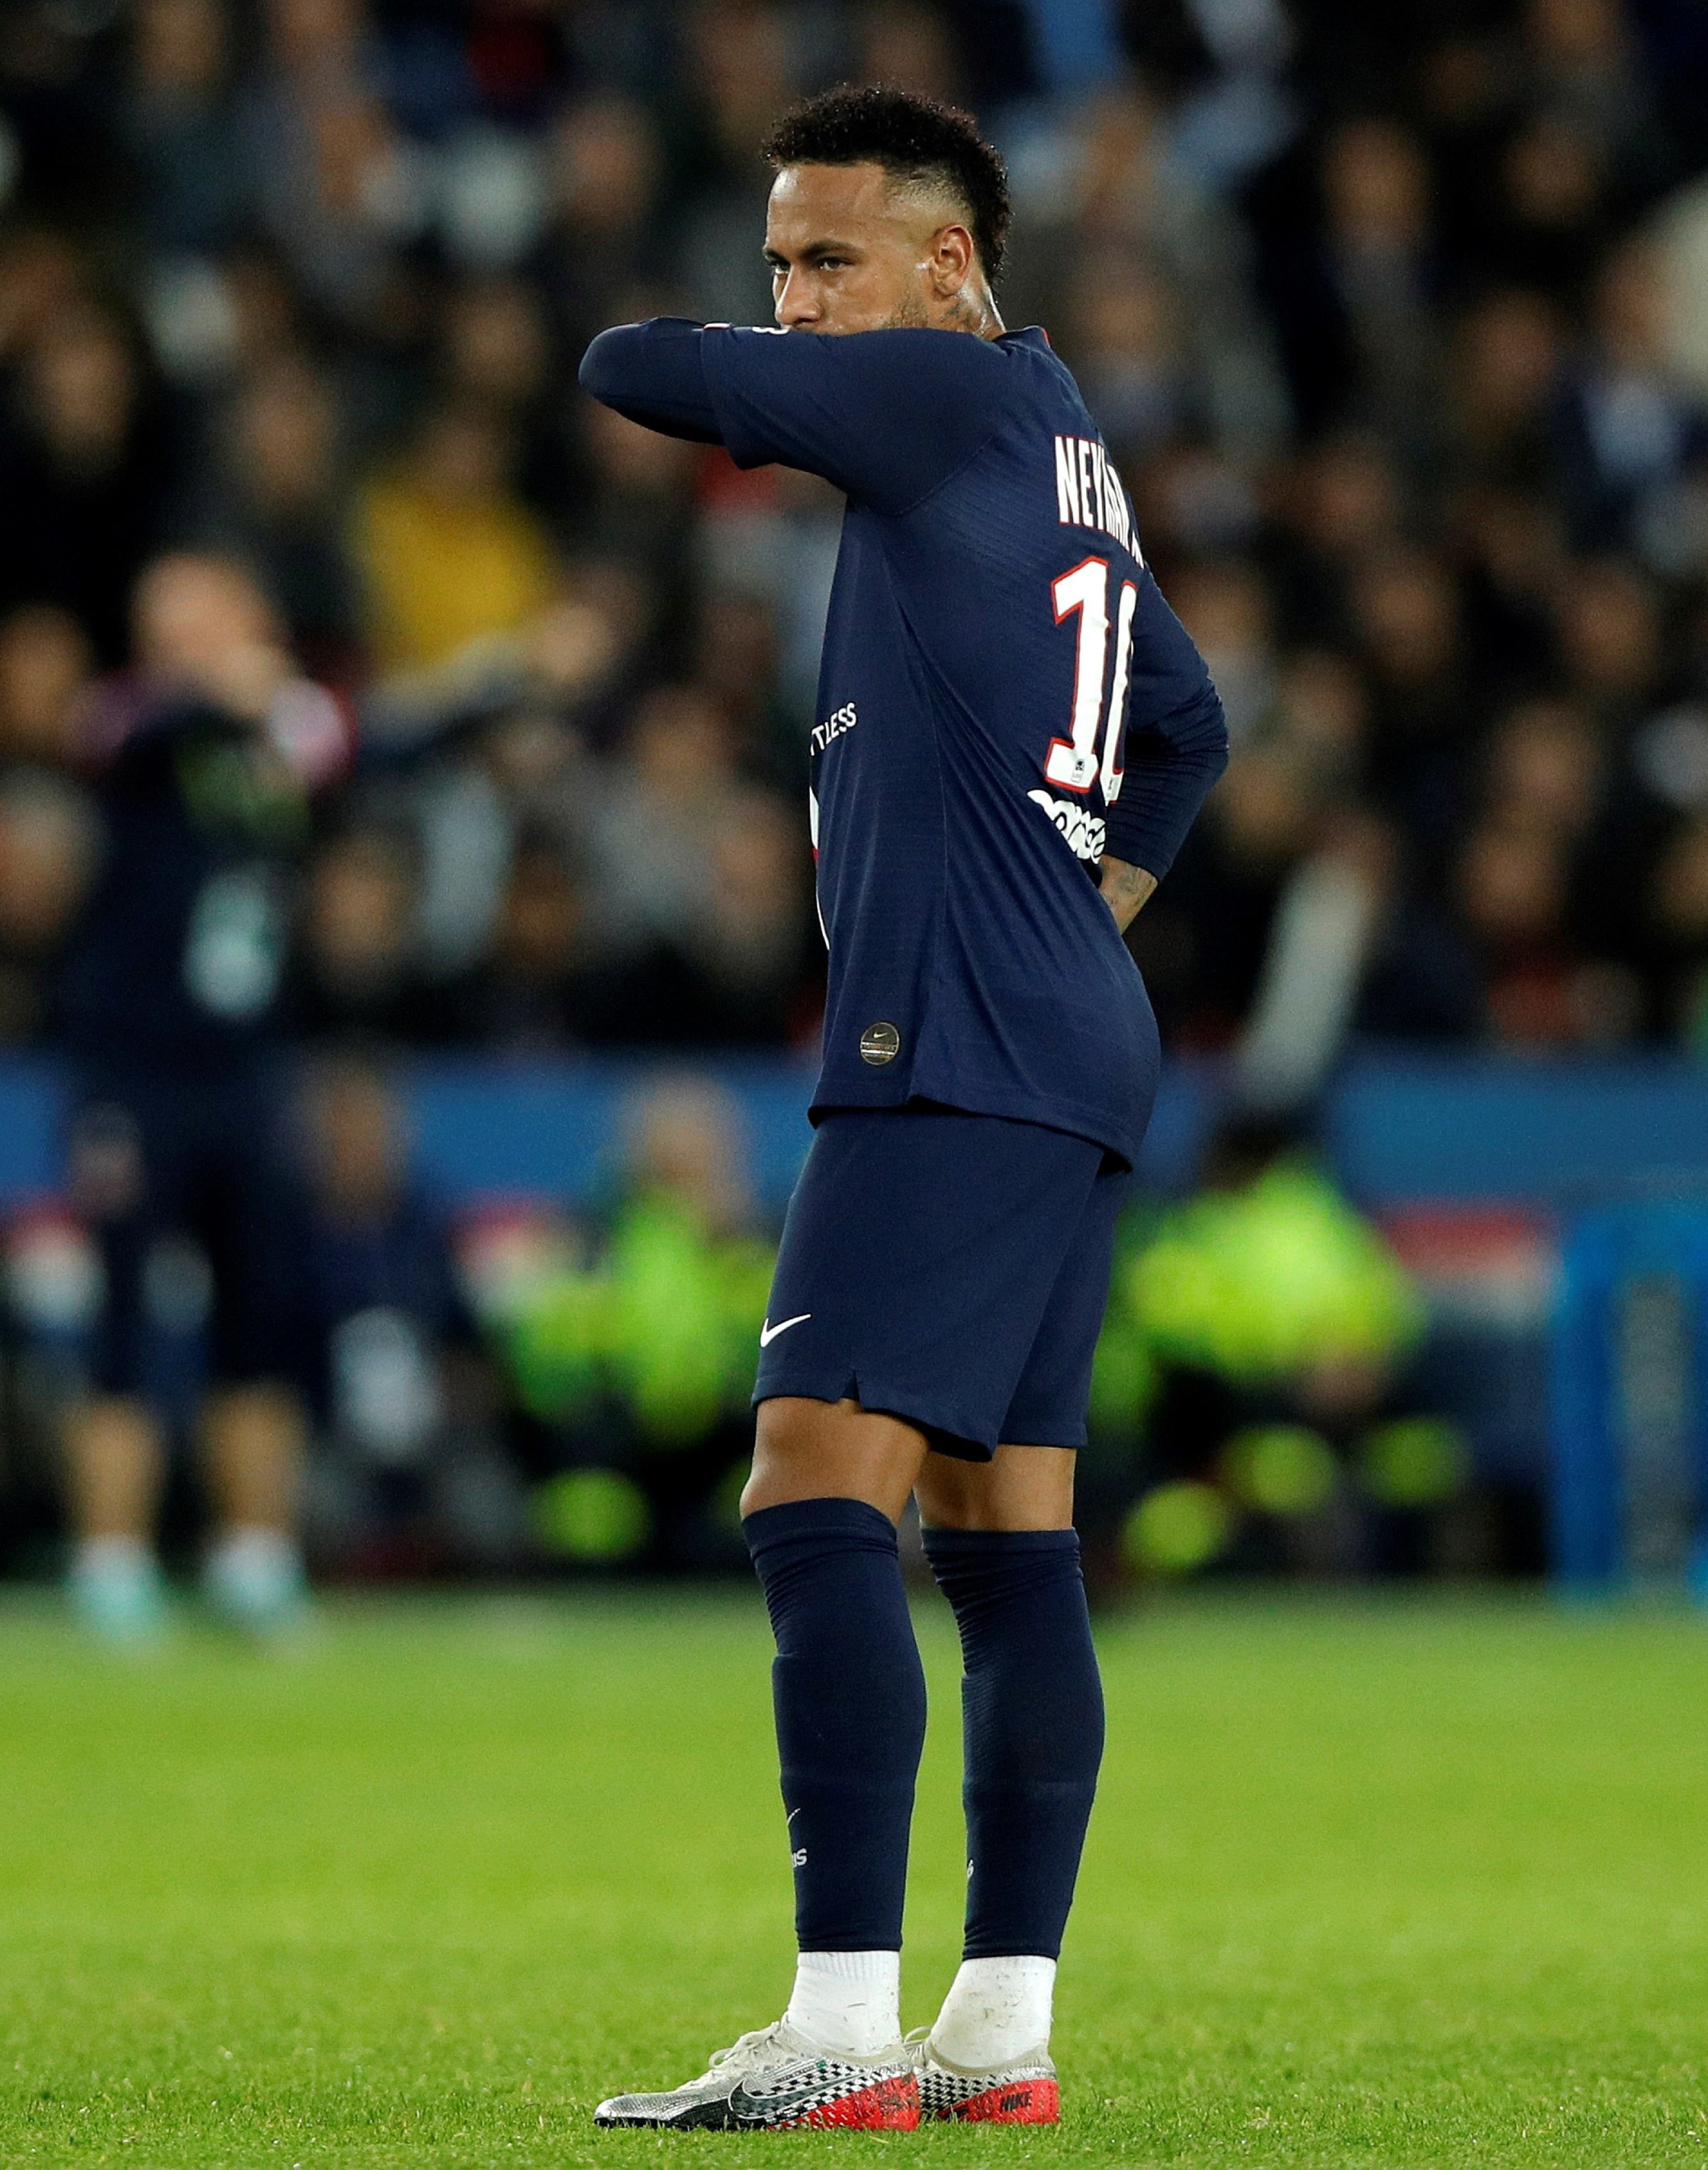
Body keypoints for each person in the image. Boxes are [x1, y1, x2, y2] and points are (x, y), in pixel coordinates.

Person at [576, 86, 1229, 2130]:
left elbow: (629, 365)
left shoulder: (939, 406)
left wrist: (738, 349)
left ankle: (839, 2017)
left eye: (825, 258)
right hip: (1062, 1026)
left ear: (949, 263)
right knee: (1004, 1531)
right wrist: (1086, 901)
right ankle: (994, 2026)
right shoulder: (1063, 456)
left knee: (803, 1483)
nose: (789, 302)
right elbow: (1185, 723)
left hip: (950, 1034)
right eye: (776, 260)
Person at [49, 554, 319, 1644]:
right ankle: (110, 1565)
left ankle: (255, 1556)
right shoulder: (133, 722)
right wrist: (215, 695)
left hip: (247, 1069)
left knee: (259, 1314)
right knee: (123, 1311)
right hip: (132, 1072)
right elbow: (116, 738)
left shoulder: (286, 734)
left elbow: (368, 742)